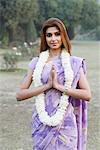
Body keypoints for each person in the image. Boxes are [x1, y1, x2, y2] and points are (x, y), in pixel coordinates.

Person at [16, 18, 91, 150]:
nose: (53, 38)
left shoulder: (74, 63)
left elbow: (87, 94)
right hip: (41, 125)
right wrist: (46, 86)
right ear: (44, 38)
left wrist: (58, 86)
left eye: (57, 34)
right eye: (49, 35)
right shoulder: (37, 63)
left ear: (63, 35)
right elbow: (19, 94)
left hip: (66, 127)